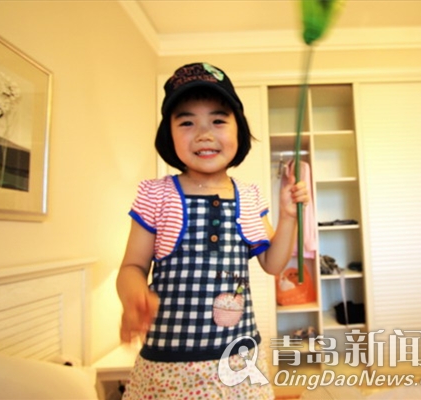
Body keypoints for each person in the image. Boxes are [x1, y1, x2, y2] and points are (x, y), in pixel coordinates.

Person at [116, 62, 309, 399]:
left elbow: (273, 264)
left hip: (237, 361)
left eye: (218, 121)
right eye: (187, 122)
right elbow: (132, 267)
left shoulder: (248, 196)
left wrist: (289, 216)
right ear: (169, 134)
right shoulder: (156, 194)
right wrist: (133, 296)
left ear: (239, 130)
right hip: (166, 365)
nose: (203, 134)